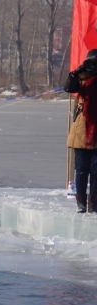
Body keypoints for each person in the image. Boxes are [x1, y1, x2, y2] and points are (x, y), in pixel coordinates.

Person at [66, 49, 97, 214]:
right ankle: (81, 203)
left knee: (96, 169)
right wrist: (76, 73)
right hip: (82, 128)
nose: (93, 67)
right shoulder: (82, 78)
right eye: (91, 64)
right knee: (81, 168)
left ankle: (93, 204)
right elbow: (69, 88)